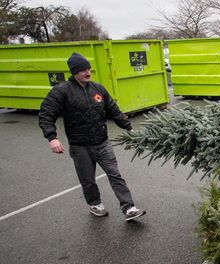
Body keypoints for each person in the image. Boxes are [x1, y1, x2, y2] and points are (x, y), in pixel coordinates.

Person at [39, 52, 146, 221]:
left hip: (103, 143)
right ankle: (95, 203)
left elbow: (113, 110)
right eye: (83, 70)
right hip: (80, 146)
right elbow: (46, 113)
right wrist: (52, 138)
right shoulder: (62, 91)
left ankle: (129, 207)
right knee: (88, 180)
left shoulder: (98, 88)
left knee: (115, 174)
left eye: (88, 69)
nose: (87, 72)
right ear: (74, 72)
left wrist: (129, 127)